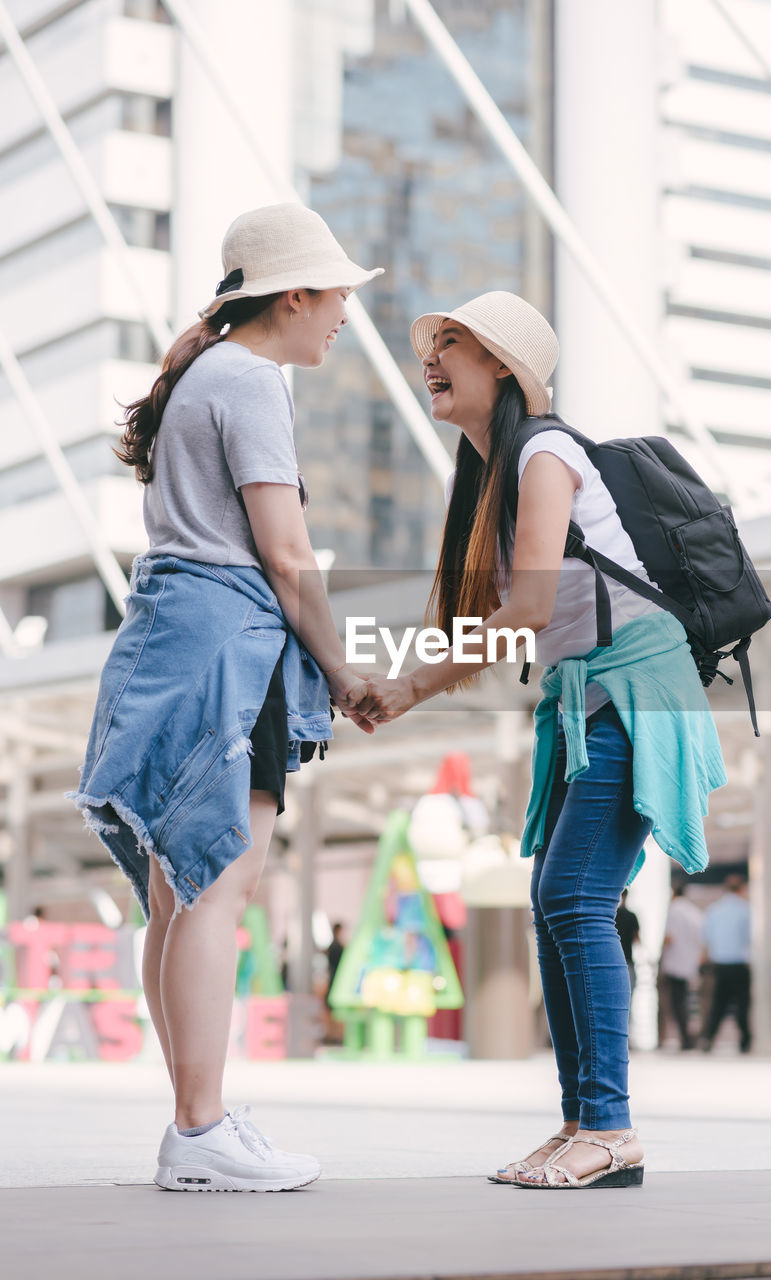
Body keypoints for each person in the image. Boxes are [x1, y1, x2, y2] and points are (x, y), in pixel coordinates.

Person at [354, 291, 727, 1190]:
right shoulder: (491, 474)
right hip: (586, 699)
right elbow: (514, 618)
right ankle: (580, 1124)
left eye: (455, 345)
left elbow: (522, 610)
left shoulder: (546, 450)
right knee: (556, 904)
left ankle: (611, 1128)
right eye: (432, 345)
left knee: (573, 898)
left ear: (506, 370)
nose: (433, 358)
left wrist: (407, 686)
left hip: (639, 692)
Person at [70, 202, 382, 1191]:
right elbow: (288, 557)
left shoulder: (201, 373)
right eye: (335, 297)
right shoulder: (251, 380)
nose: (341, 315)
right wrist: (342, 672)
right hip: (225, 650)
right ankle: (201, 1131)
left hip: (171, 636)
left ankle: (192, 1120)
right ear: (293, 295)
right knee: (217, 886)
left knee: (178, 891)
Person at [699, 874, 752, 1054]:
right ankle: (745, 1042)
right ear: (741, 889)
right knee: (742, 1005)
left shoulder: (714, 910)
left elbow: (707, 940)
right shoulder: (746, 910)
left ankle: (708, 1038)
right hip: (739, 964)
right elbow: (750, 939)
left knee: (718, 1005)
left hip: (719, 965)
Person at [659, 881, 704, 1050]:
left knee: (677, 1004)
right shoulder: (693, 912)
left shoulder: (675, 910)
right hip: (689, 964)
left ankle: (686, 1038)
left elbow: (669, 937)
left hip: (675, 964)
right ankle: (689, 1037)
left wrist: (660, 952)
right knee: (685, 1002)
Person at [615, 890, 640, 992]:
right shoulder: (632, 916)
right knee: (629, 992)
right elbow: (637, 939)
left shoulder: (613, 915)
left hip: (615, 960)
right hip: (628, 959)